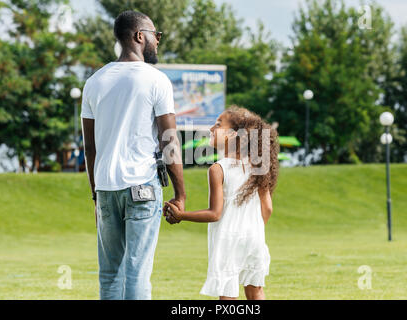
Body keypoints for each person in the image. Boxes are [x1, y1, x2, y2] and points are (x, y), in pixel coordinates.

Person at [81, 10, 185, 300]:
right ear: (140, 36)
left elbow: (90, 148)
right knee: (137, 271)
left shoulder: (94, 82)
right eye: (156, 35)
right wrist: (180, 194)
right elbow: (169, 140)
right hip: (142, 186)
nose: (158, 41)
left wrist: (96, 195)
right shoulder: (155, 80)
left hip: (105, 189)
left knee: (110, 273)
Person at [165, 106, 279, 300]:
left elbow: (215, 214)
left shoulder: (218, 169)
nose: (211, 129)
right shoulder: (258, 166)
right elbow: (267, 207)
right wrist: (254, 228)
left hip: (228, 240)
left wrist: (182, 215)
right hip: (254, 238)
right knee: (256, 291)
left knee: (227, 293)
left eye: (218, 125)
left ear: (234, 135)